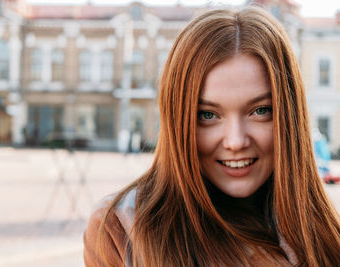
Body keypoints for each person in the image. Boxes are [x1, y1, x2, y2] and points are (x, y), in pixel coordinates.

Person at [83, 6, 340, 266]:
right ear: (177, 119)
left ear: (290, 116)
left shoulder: (326, 235)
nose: (236, 141)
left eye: (260, 111)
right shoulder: (122, 229)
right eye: (207, 115)